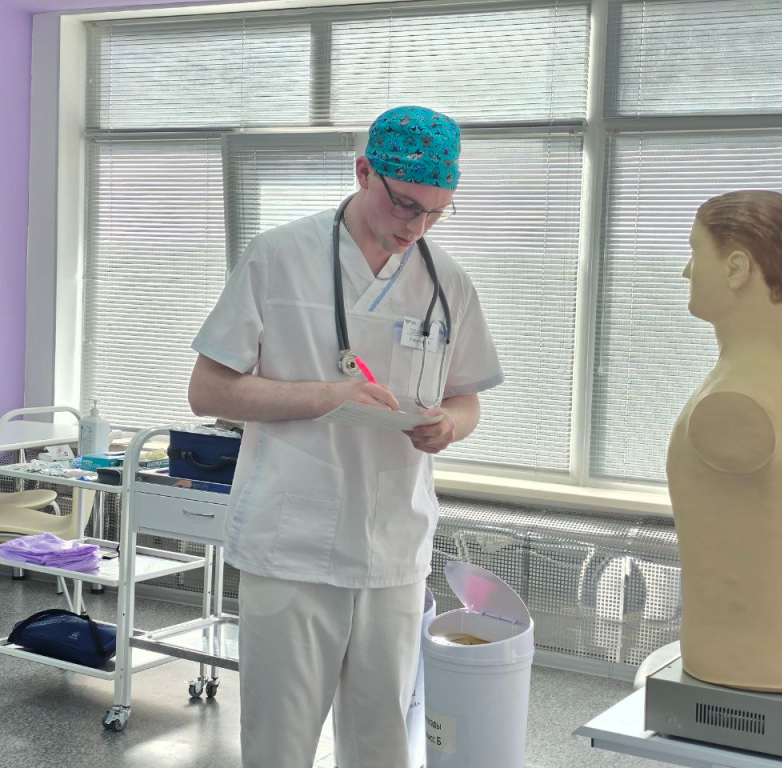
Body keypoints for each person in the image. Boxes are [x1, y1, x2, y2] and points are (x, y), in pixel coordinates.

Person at [187, 105, 503, 767]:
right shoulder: (278, 256)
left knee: (382, 742)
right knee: (279, 745)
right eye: (405, 205)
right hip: (293, 544)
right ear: (363, 172)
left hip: (394, 547)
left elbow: (467, 396)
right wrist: (326, 397)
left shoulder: (447, 281)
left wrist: (452, 424)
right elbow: (209, 390)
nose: (415, 227)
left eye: (435, 213)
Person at [666, 190, 782, 693]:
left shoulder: (738, 402)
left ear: (737, 269)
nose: (686, 271)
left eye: (695, 253)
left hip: (748, 662)